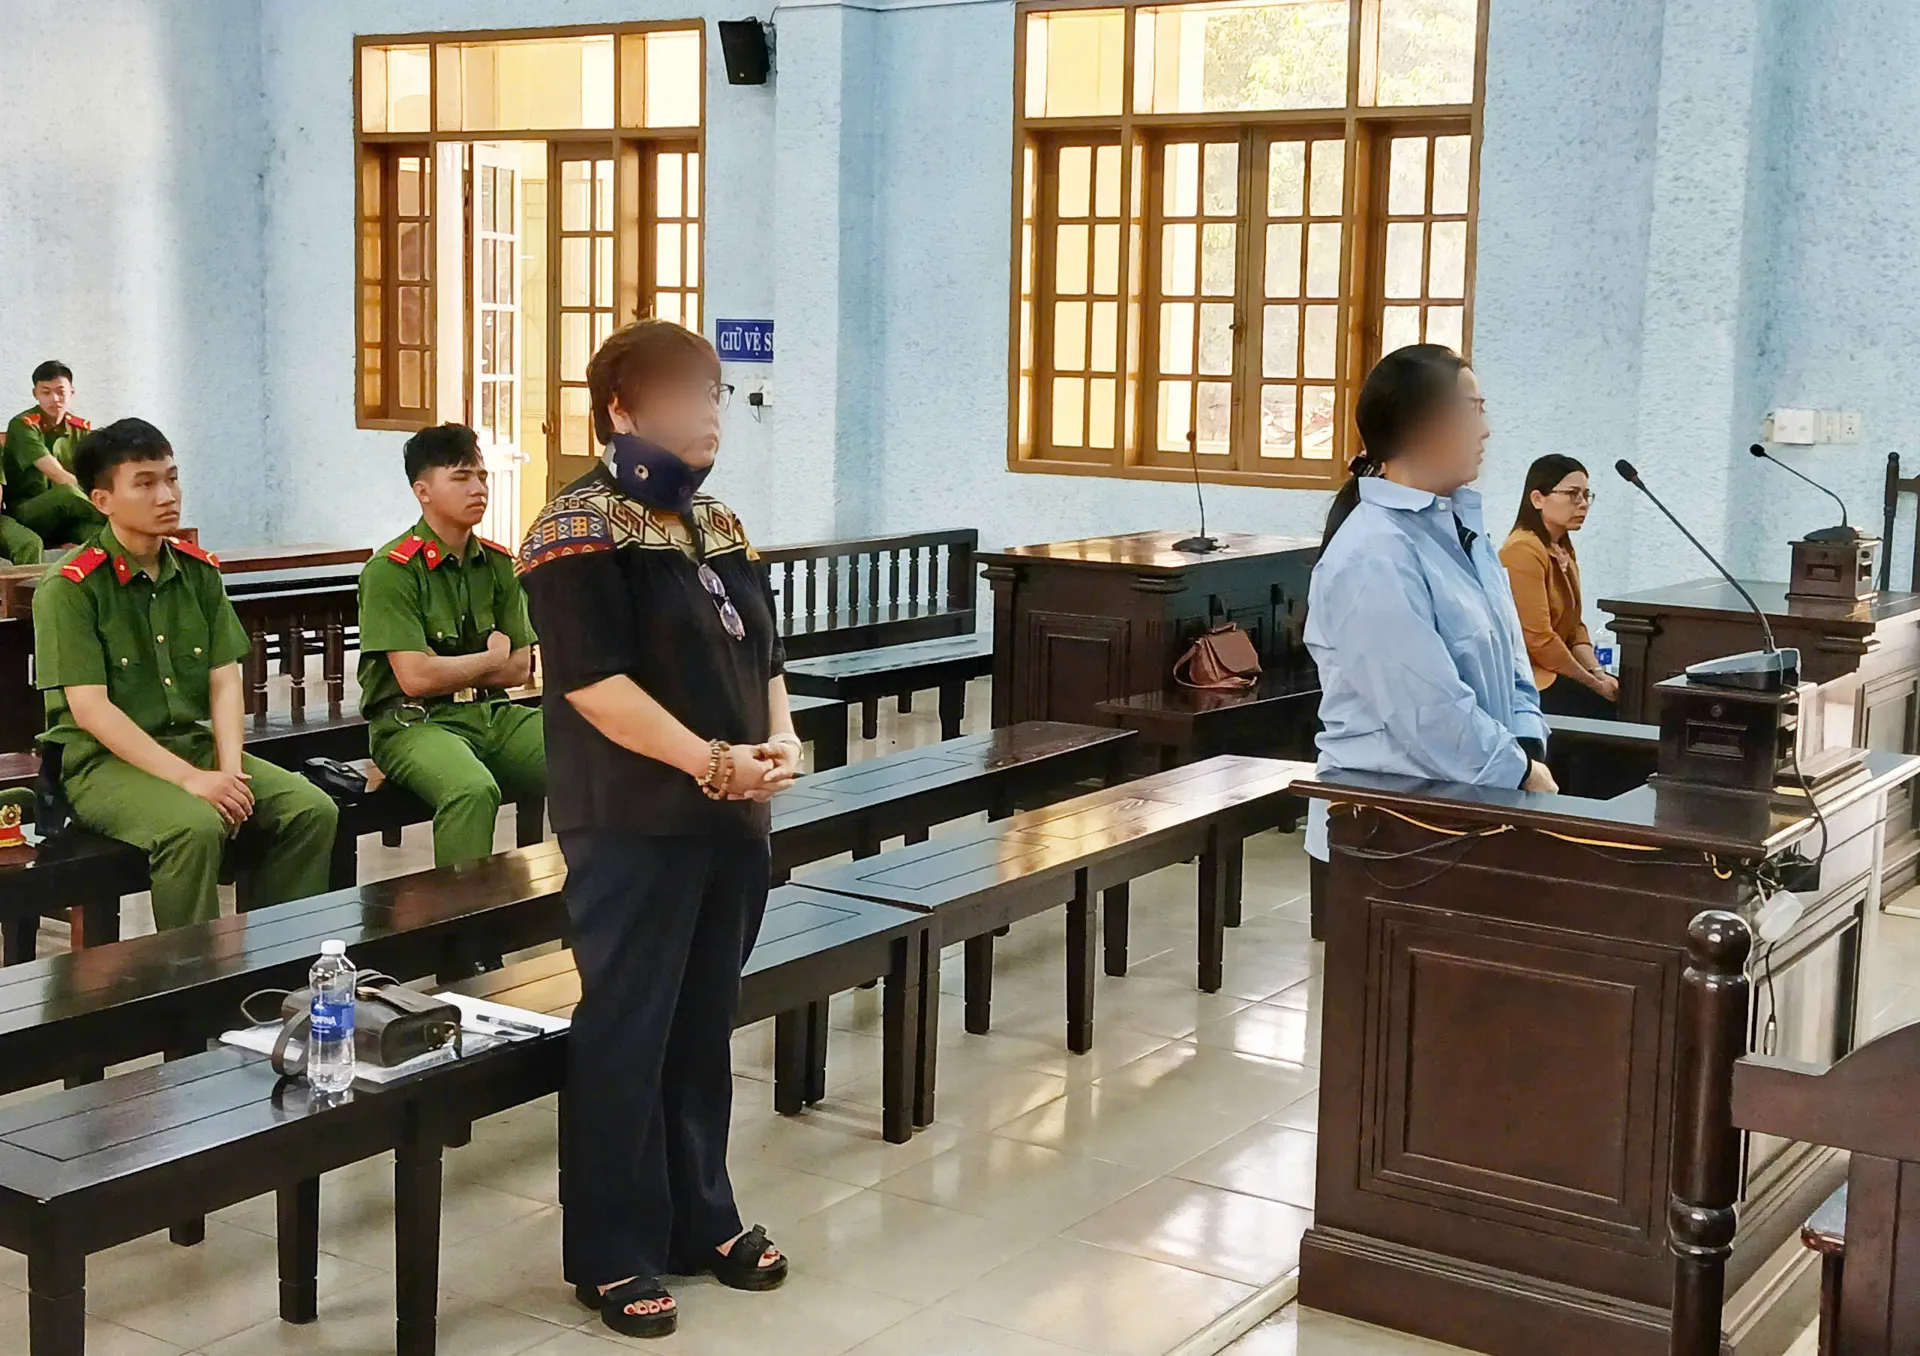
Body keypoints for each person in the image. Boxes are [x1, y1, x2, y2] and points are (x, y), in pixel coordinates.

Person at [518, 319, 794, 1339]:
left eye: (712, 393)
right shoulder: (574, 530)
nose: (705, 411)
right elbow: (594, 684)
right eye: (681, 394)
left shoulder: (719, 522)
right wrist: (710, 763)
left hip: (730, 817)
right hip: (632, 820)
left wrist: (780, 741)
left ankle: (699, 1218)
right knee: (628, 1030)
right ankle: (613, 1249)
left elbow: (764, 658)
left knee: (703, 1022)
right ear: (622, 411)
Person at [33, 418, 338, 931]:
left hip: (190, 747)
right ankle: (193, 974)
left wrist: (230, 770)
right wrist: (192, 780)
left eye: (172, 478)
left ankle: (279, 957)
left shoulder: (198, 572)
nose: (167, 496)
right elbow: (90, 710)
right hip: (100, 766)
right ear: (102, 500)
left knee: (311, 810)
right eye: (145, 483)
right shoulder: (70, 588)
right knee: (193, 827)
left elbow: (224, 678)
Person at [1304, 345, 1556, 931]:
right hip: (1392, 830)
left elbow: (1512, 658)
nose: (1485, 429)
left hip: (1473, 804)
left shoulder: (1463, 528)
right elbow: (1425, 710)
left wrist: (1528, 745)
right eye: (1471, 409)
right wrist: (1517, 773)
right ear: (1421, 426)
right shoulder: (1373, 551)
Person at [358, 424, 544, 867]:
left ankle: (586, 897)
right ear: (422, 491)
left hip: (491, 713)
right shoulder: (391, 571)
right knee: (471, 790)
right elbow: (416, 679)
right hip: (413, 724)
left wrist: (456, 667)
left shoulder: (498, 564)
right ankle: (462, 909)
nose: (478, 489)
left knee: (587, 757)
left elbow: (520, 668)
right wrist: (491, 657)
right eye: (461, 478)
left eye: (481, 476)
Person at [1499, 454, 1618, 719]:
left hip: (1558, 668)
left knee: (1629, 695)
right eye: (1572, 494)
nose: (1583, 504)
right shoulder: (1522, 549)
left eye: (1586, 495)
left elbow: (1575, 628)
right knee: (1605, 708)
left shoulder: (1561, 547)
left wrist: (1599, 673)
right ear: (1538, 499)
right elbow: (1538, 639)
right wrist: (1592, 683)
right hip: (1532, 676)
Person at [6, 360, 106, 550]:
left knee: (102, 534)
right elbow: (57, 475)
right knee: (67, 491)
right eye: (46, 392)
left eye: (61, 392)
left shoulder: (80, 430)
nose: (54, 398)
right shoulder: (22, 426)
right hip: (27, 513)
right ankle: (131, 521)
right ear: (35, 394)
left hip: (66, 517)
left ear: (71, 393)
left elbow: (95, 473)